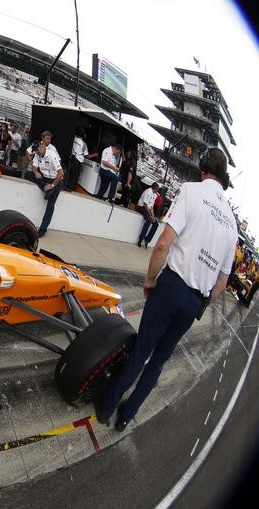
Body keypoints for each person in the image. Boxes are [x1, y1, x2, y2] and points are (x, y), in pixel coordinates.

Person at [96, 148, 238, 431]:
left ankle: (106, 406)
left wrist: (150, 281)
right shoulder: (232, 225)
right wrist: (200, 305)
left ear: (203, 168)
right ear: (224, 178)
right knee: (158, 361)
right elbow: (221, 284)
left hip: (171, 285)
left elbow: (163, 244)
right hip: (194, 301)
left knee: (141, 351)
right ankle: (125, 416)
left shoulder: (190, 191)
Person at [25, 133, 64, 238]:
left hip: (56, 180)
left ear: (42, 147)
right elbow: (34, 167)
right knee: (28, 174)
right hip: (45, 178)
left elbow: (61, 174)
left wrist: (52, 185)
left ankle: (43, 229)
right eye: (35, 151)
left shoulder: (52, 155)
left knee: (51, 204)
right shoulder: (37, 154)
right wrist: (36, 172)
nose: (37, 152)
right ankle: (45, 188)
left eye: (38, 150)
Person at [136, 182, 160, 248]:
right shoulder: (148, 191)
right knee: (149, 220)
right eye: (157, 190)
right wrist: (150, 216)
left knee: (156, 224)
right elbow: (145, 204)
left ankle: (147, 240)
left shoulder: (154, 194)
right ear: (154, 189)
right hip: (141, 207)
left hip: (147, 209)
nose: (157, 191)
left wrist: (153, 216)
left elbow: (151, 207)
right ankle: (140, 239)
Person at [66, 128, 91, 192]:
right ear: (83, 135)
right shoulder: (84, 144)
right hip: (78, 161)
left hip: (71, 158)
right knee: (75, 176)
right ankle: (70, 188)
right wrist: (94, 155)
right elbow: (87, 155)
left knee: (69, 173)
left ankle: (65, 185)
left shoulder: (73, 138)